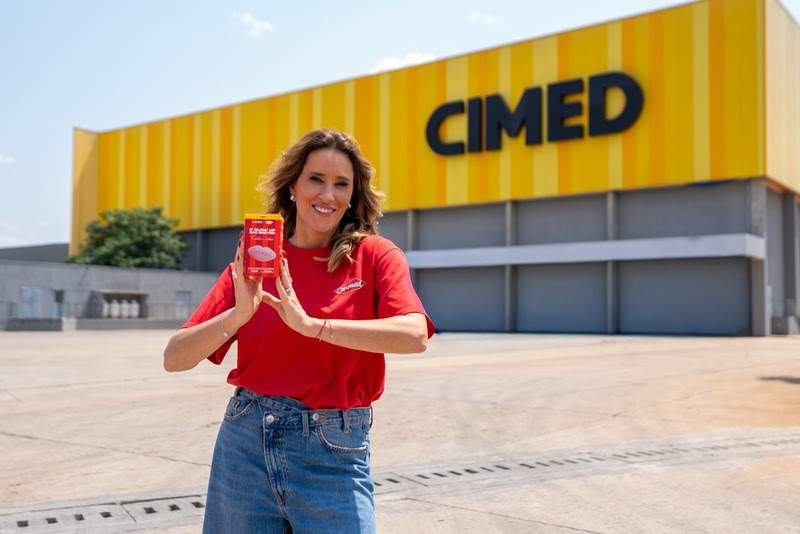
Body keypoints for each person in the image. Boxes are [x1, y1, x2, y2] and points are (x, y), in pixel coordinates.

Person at [163, 128, 435, 534]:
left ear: (353, 195)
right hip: (245, 446)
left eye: (341, 184)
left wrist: (313, 327)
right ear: (293, 186)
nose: (328, 194)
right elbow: (174, 358)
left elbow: (414, 335)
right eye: (316, 179)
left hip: (334, 448)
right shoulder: (256, 264)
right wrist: (239, 314)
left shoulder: (375, 255)